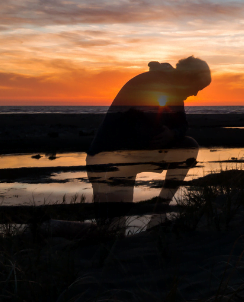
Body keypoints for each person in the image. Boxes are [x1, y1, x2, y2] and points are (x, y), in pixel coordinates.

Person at [85, 56, 210, 224]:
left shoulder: (174, 89)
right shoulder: (154, 84)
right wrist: (161, 134)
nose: (195, 93)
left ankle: (159, 212)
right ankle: (52, 227)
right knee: (110, 225)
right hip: (107, 159)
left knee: (188, 147)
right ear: (188, 77)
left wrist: (172, 134)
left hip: (131, 157)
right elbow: (141, 125)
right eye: (197, 88)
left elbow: (182, 124)